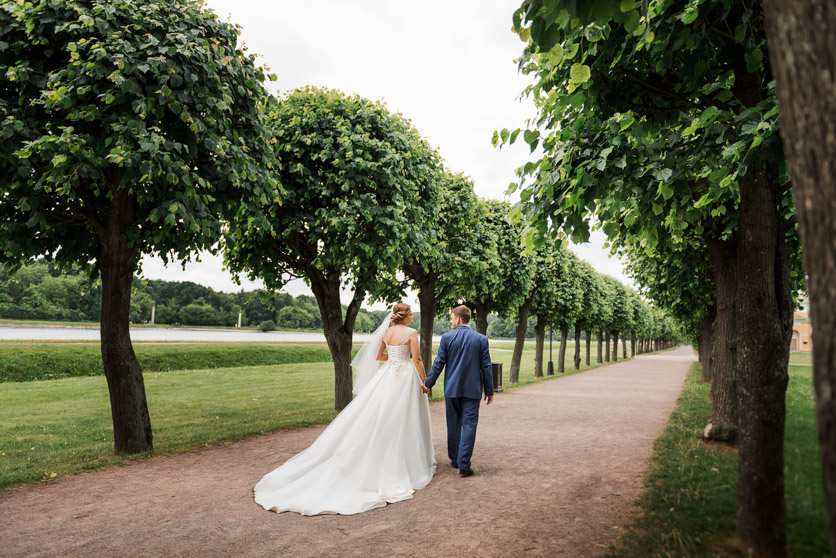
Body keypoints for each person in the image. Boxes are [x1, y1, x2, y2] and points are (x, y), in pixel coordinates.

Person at [253, 303, 436, 515]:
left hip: (388, 375)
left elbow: (379, 356)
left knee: (382, 415)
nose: (413, 317)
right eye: (411, 314)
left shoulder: (386, 332)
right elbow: (418, 359)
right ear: (404, 316)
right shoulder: (411, 333)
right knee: (405, 417)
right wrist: (426, 382)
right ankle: (406, 461)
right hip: (404, 378)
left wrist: (395, 357)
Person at [422, 305, 493, 477]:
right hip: (472, 390)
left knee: (453, 425)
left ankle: (455, 458)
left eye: (452, 318)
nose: (451, 321)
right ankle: (464, 464)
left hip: (452, 389)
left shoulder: (447, 338)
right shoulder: (481, 339)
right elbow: (486, 367)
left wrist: (428, 384)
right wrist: (489, 390)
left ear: (459, 319)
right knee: (469, 425)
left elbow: (439, 363)